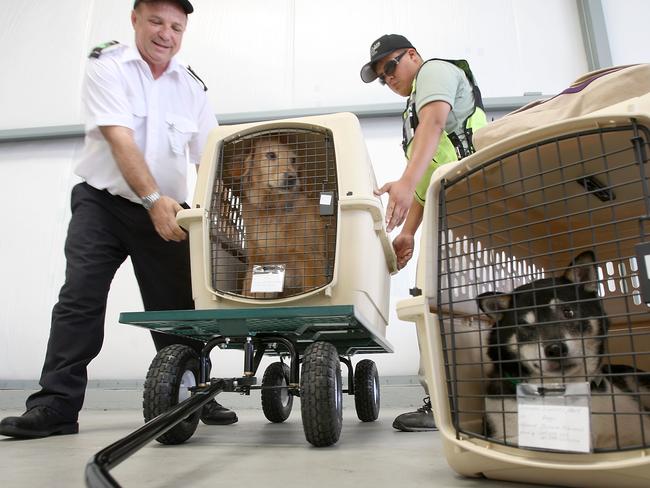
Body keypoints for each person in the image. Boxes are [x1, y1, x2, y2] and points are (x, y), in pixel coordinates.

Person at [0, 0, 236, 439]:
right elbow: (118, 137)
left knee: (178, 311)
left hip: (168, 214)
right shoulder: (108, 65)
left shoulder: (191, 87)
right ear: (135, 20)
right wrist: (152, 199)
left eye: (176, 27)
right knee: (79, 300)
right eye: (156, 22)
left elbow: (211, 160)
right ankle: (55, 407)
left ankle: (194, 392)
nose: (166, 34)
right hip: (103, 204)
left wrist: (208, 220)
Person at [360, 34, 487, 431]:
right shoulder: (410, 112)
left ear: (412, 56)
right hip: (453, 209)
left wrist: (403, 179)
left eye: (391, 67)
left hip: (478, 200)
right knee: (437, 302)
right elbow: (427, 176)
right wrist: (409, 233)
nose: (389, 79)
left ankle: (453, 402)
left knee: (452, 303)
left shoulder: (435, 72)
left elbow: (434, 125)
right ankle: (448, 400)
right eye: (382, 77)